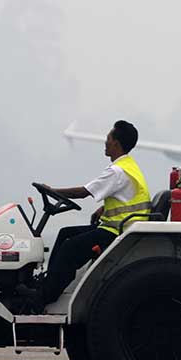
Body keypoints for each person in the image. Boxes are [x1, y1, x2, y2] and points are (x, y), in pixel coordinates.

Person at [20, 120, 151, 308]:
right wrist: (103, 208)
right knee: (66, 233)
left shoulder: (117, 171)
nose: (105, 142)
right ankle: (46, 283)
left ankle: (43, 297)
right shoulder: (130, 166)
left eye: (108, 138)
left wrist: (53, 190)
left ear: (116, 143)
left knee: (70, 248)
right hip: (120, 227)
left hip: (116, 232)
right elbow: (127, 196)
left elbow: (83, 192)